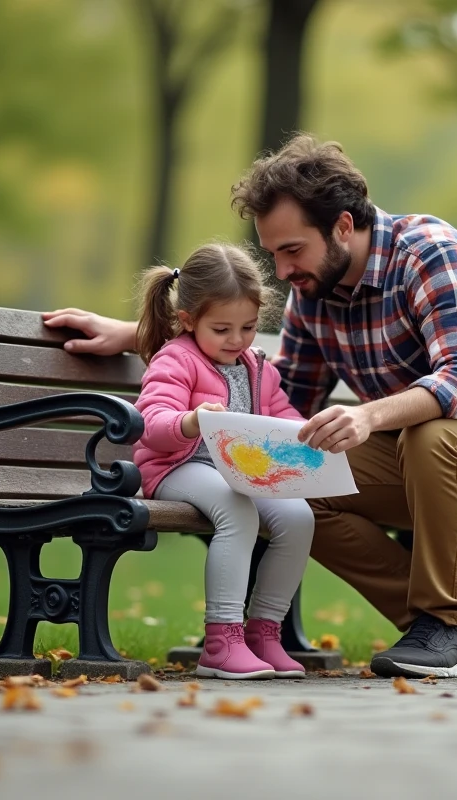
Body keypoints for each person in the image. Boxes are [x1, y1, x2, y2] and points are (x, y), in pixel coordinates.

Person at [43, 134, 457, 679]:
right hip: (427, 464)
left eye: (292, 250)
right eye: (273, 252)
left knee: (434, 433)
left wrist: (369, 416)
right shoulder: (313, 293)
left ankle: (444, 624)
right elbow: (277, 399)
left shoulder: (431, 254)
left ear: (343, 226)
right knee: (297, 477)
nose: (281, 271)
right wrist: (148, 334)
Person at [130, 242, 315, 680]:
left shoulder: (256, 366)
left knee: (298, 518)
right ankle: (221, 639)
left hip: (239, 471)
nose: (237, 340)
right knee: (237, 511)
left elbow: (280, 415)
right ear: (188, 320)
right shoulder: (176, 359)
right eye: (222, 329)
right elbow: (150, 421)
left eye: (248, 327)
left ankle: (263, 632)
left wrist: (308, 433)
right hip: (176, 467)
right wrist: (191, 421)